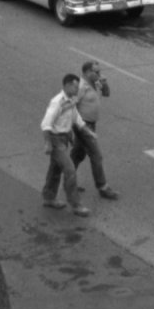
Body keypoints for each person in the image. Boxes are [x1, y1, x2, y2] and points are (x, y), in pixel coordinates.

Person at [39, 73, 93, 216]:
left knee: (55, 169)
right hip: (56, 141)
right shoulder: (57, 102)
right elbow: (45, 124)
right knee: (70, 170)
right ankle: (76, 205)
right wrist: (48, 144)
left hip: (64, 139)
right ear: (68, 85)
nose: (78, 89)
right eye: (76, 86)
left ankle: (49, 198)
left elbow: (75, 116)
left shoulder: (70, 100)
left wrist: (86, 130)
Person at [69, 60, 118, 200]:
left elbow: (107, 93)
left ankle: (68, 181)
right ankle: (103, 187)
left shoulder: (95, 82)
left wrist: (104, 83)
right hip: (84, 125)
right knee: (96, 156)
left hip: (91, 124)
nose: (99, 74)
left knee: (78, 154)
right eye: (96, 72)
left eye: (99, 71)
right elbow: (71, 107)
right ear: (87, 72)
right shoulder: (80, 86)